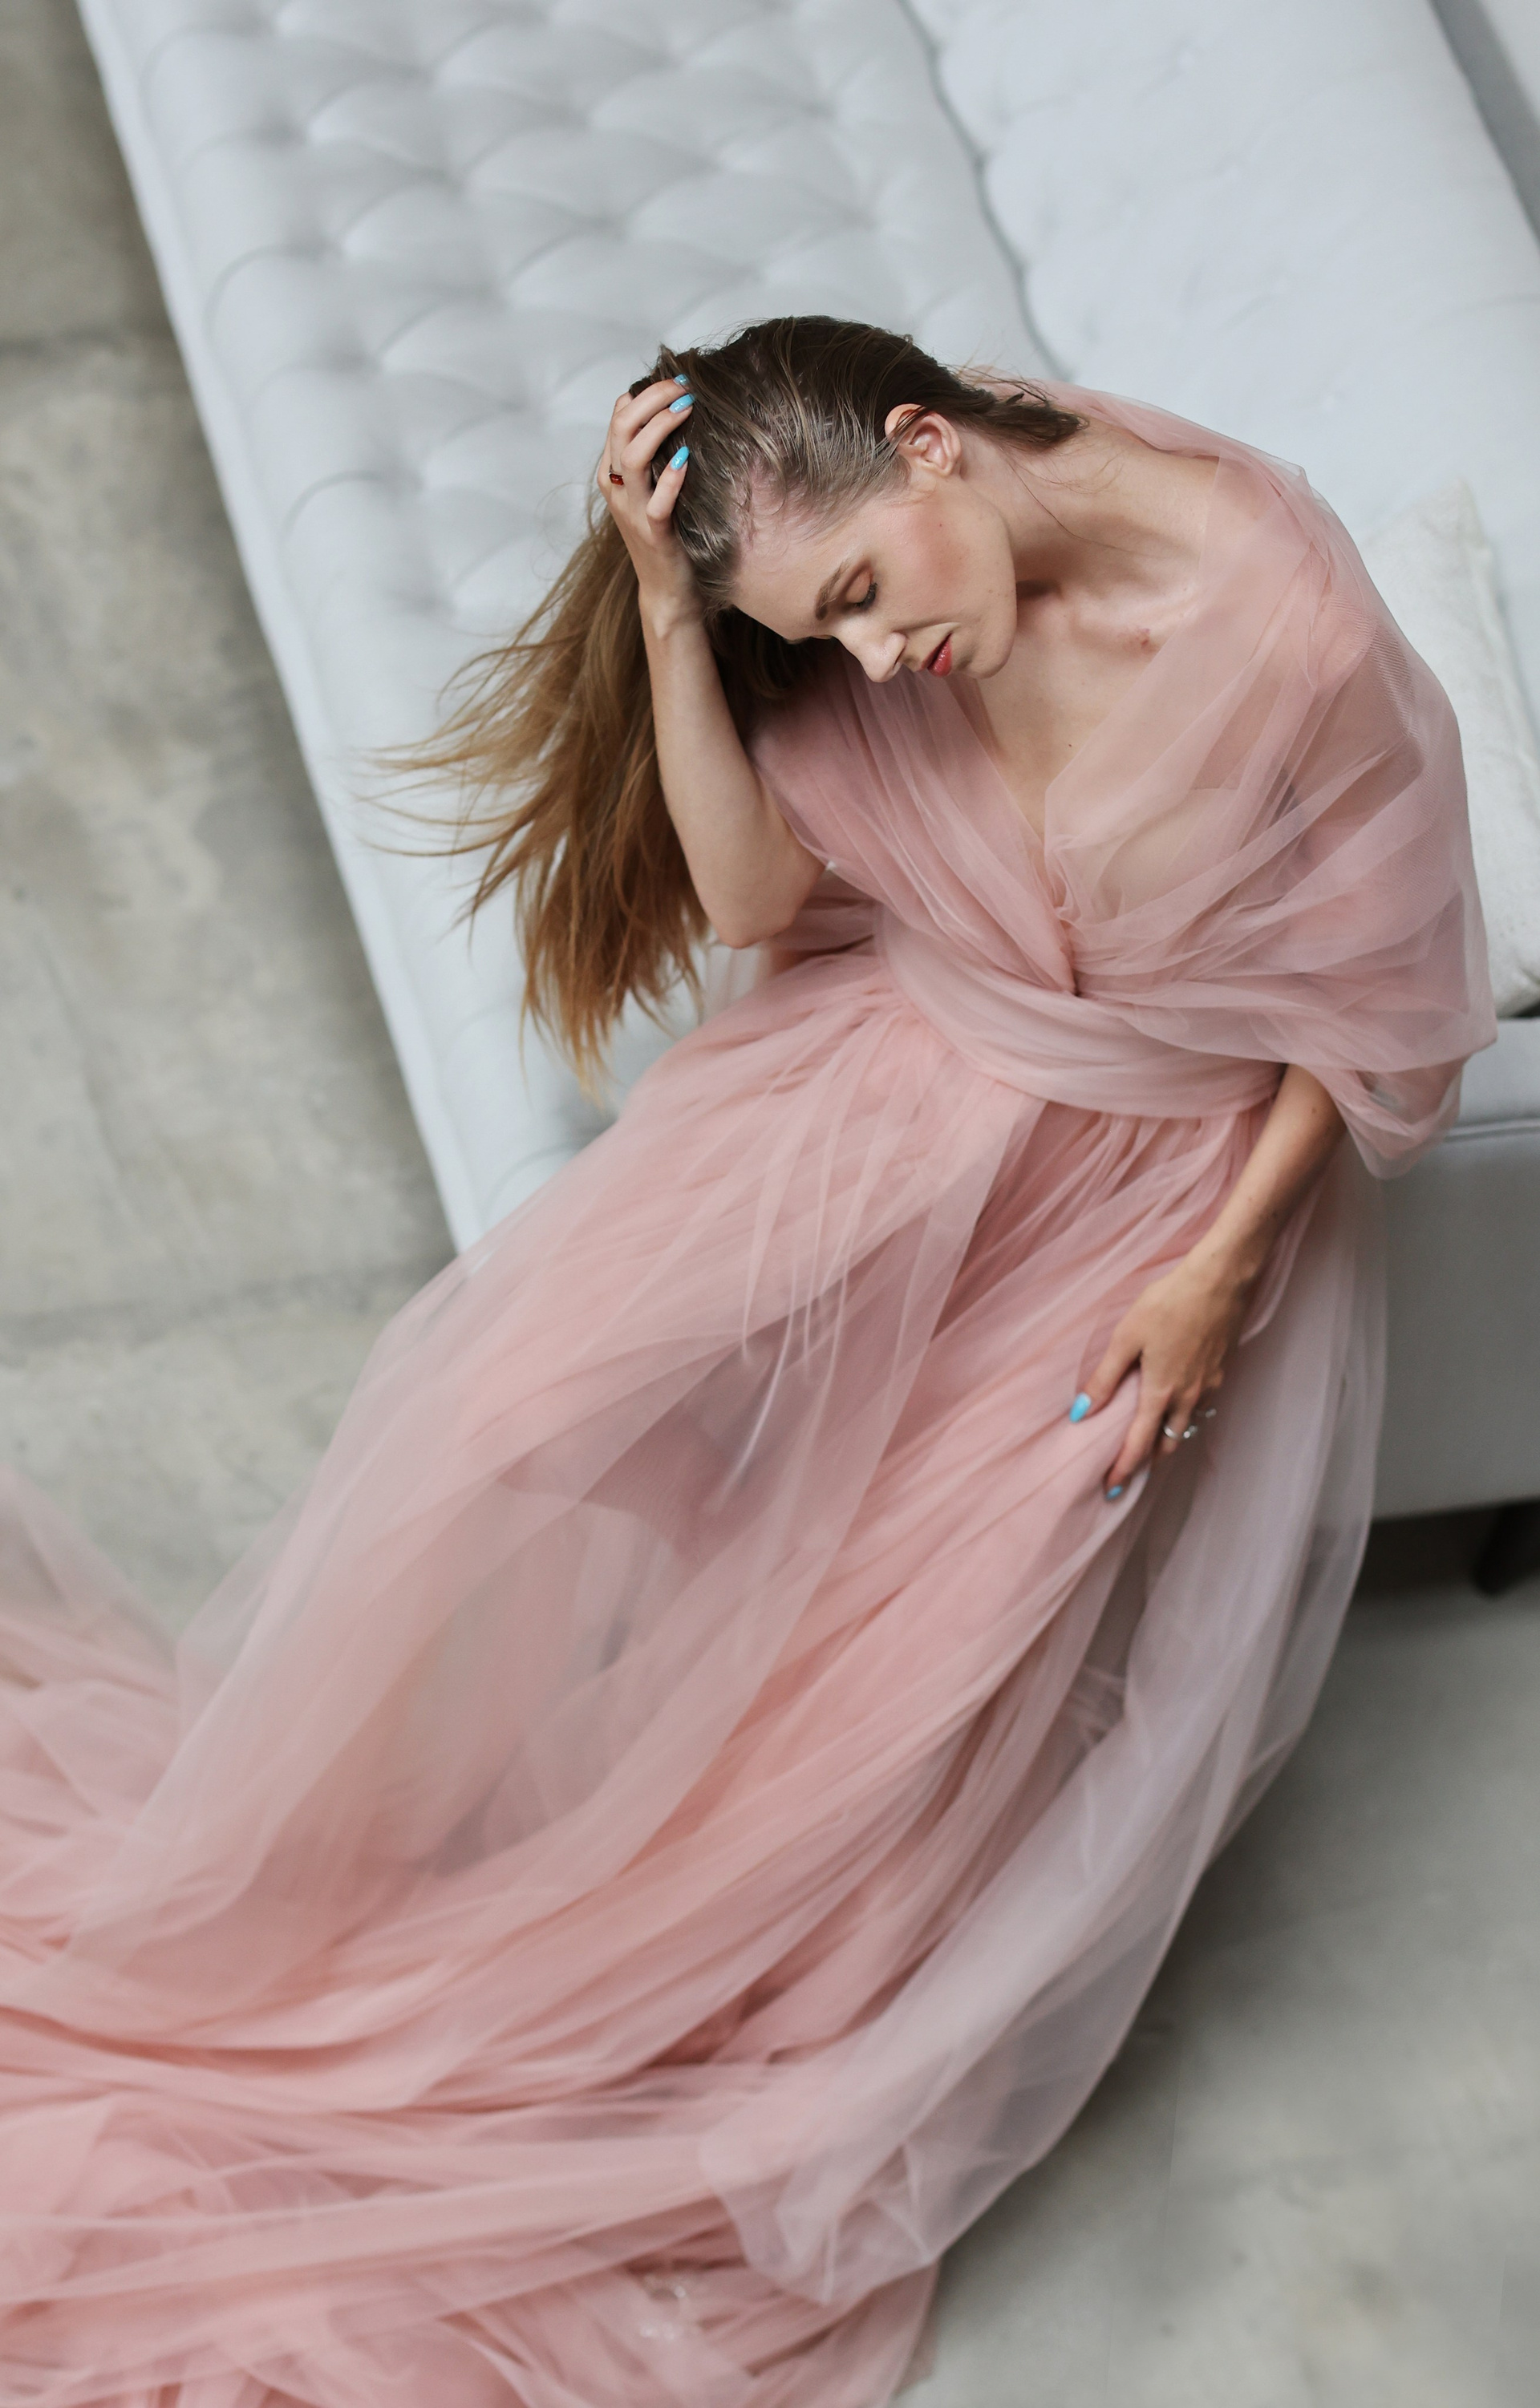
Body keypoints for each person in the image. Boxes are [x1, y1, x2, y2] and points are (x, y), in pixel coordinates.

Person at [0, 314, 1497, 2405]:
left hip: (1138, 1201)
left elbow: (1385, 1008)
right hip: (879, 1081)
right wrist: (661, 606)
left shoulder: (1283, 627)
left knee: (908, 1658)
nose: (878, 658)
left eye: (864, 596)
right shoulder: (894, 590)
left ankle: (711, 1999)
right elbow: (749, 901)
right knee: (501, 1409)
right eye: (827, 634)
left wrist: (1216, 1275)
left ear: (931, 446)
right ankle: (404, 1886)